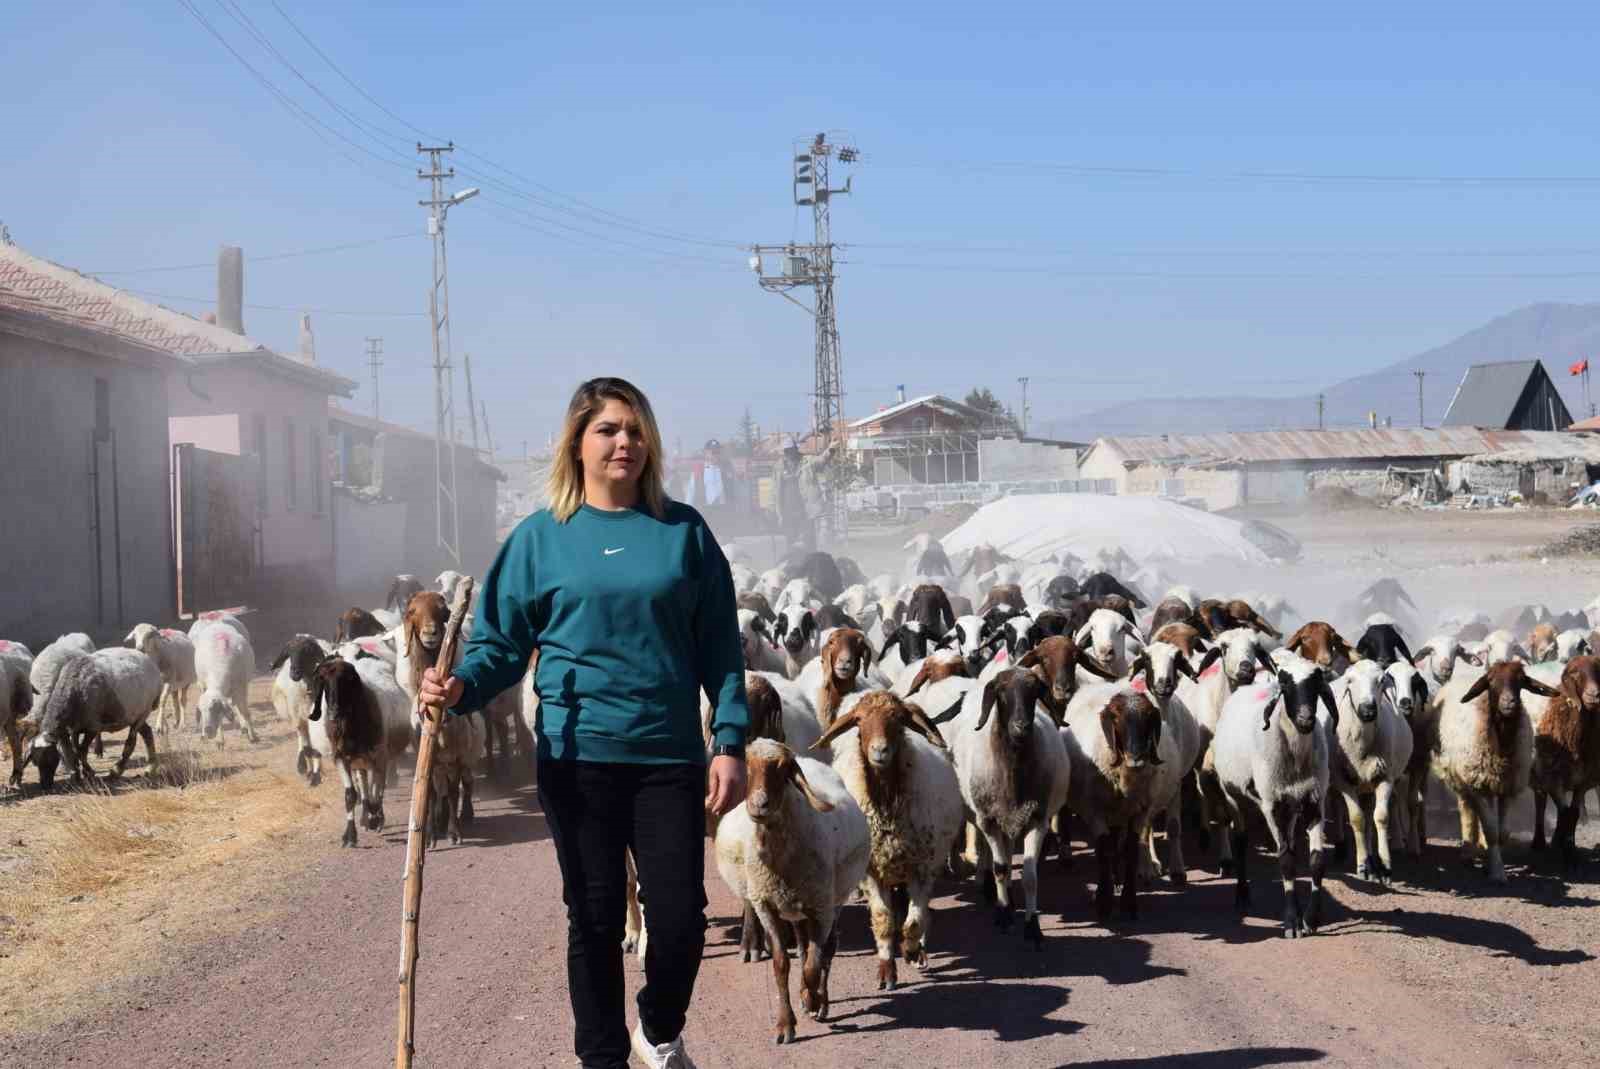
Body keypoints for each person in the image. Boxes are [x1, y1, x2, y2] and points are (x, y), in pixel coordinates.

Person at [420, 376, 749, 1069]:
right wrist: (458, 689)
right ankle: (601, 1060)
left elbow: (720, 645)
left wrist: (730, 740)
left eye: (634, 429)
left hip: (667, 755)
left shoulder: (683, 531)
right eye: (607, 429)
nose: (623, 441)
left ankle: (657, 1025)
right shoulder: (541, 539)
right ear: (577, 442)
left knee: (682, 919)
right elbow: (500, 646)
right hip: (578, 759)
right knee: (595, 917)